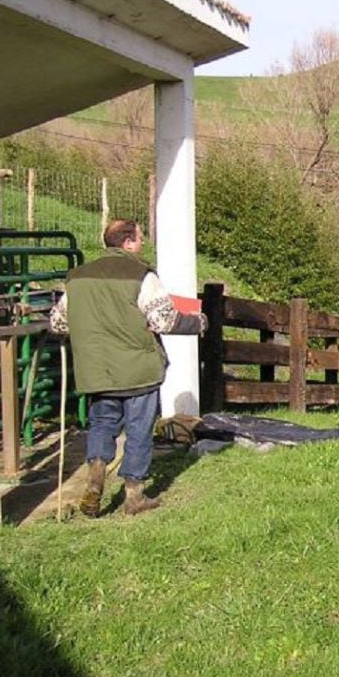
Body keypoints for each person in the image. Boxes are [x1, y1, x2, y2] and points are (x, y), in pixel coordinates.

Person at [50, 219, 207, 517]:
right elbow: (165, 321)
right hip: (138, 370)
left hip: (98, 371)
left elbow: (58, 323)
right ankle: (134, 496)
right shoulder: (141, 275)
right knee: (139, 430)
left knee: (102, 424)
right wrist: (199, 322)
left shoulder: (78, 277)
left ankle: (95, 479)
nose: (143, 243)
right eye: (139, 238)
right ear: (127, 242)